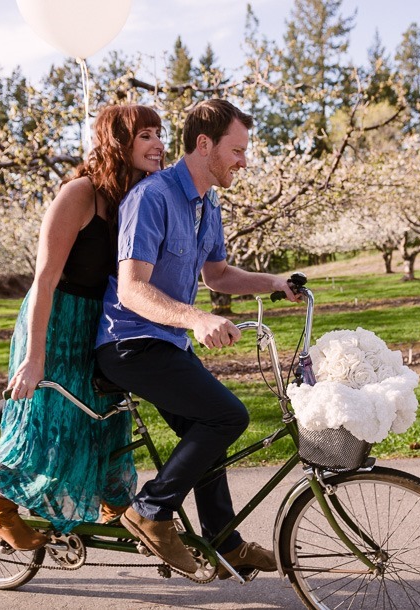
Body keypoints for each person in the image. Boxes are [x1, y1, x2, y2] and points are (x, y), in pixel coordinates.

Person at [95, 99, 299, 577]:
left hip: (166, 344)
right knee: (228, 415)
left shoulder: (208, 203)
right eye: (237, 150)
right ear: (204, 144)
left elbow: (219, 275)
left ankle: (223, 542)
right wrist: (196, 319)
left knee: (205, 430)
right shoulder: (153, 196)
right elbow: (132, 288)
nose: (243, 161)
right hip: (128, 343)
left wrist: (274, 282)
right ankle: (149, 511)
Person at [0, 104, 165, 550]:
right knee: (49, 423)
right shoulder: (79, 194)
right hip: (57, 318)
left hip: (101, 324)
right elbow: (44, 280)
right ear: (117, 142)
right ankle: (0, 507)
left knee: (106, 419)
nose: (159, 144)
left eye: (160, 134)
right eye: (145, 135)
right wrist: (34, 359)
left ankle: (112, 507)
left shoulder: (139, 196)